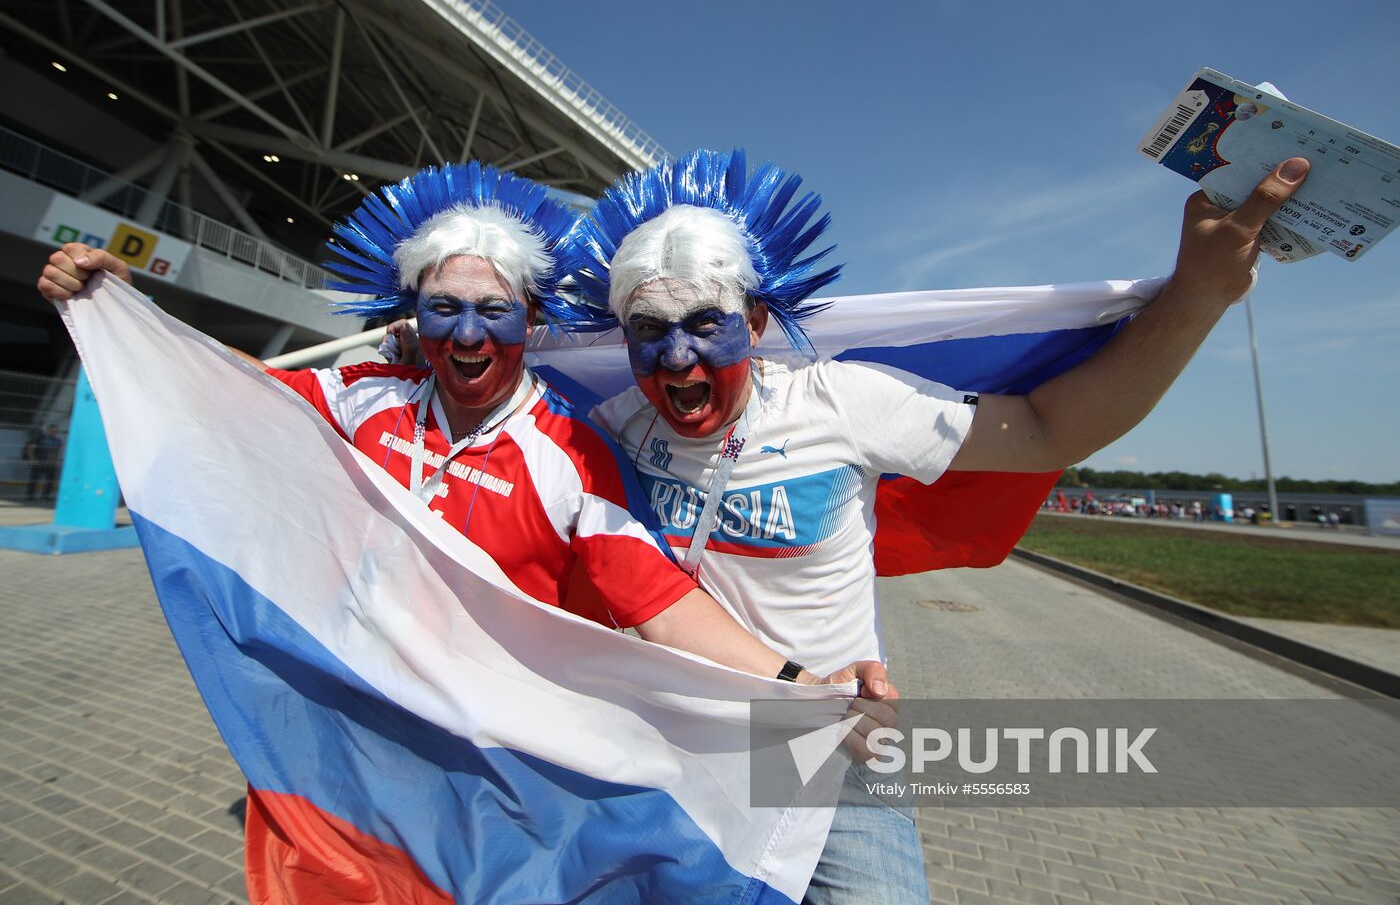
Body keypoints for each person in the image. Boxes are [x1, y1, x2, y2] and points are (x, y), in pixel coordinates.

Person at [37, 162, 895, 898]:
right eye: (445, 310)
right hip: (353, 724)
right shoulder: (365, 395)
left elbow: (657, 599)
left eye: (495, 311)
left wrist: (797, 683)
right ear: (413, 315)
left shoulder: (569, 448)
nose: (471, 334)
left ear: (530, 318)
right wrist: (120, 311)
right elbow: (230, 396)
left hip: (494, 756)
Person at [562, 147, 1310, 903]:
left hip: (827, 744)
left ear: (754, 321)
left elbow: (1050, 430)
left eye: (705, 324)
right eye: (649, 329)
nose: (677, 355)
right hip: (671, 739)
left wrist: (1199, 294)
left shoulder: (840, 402)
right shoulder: (613, 426)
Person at [23, 423, 63, 502]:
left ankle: (46, 496)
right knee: (34, 479)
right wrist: (33, 460)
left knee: (50, 481)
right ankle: (30, 496)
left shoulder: (58, 441)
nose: (54, 432)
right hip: (39, 462)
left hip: (49, 463)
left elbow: (57, 451)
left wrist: (55, 460)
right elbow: (30, 448)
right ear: (48, 430)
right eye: (52, 430)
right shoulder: (41, 438)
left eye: (56, 431)